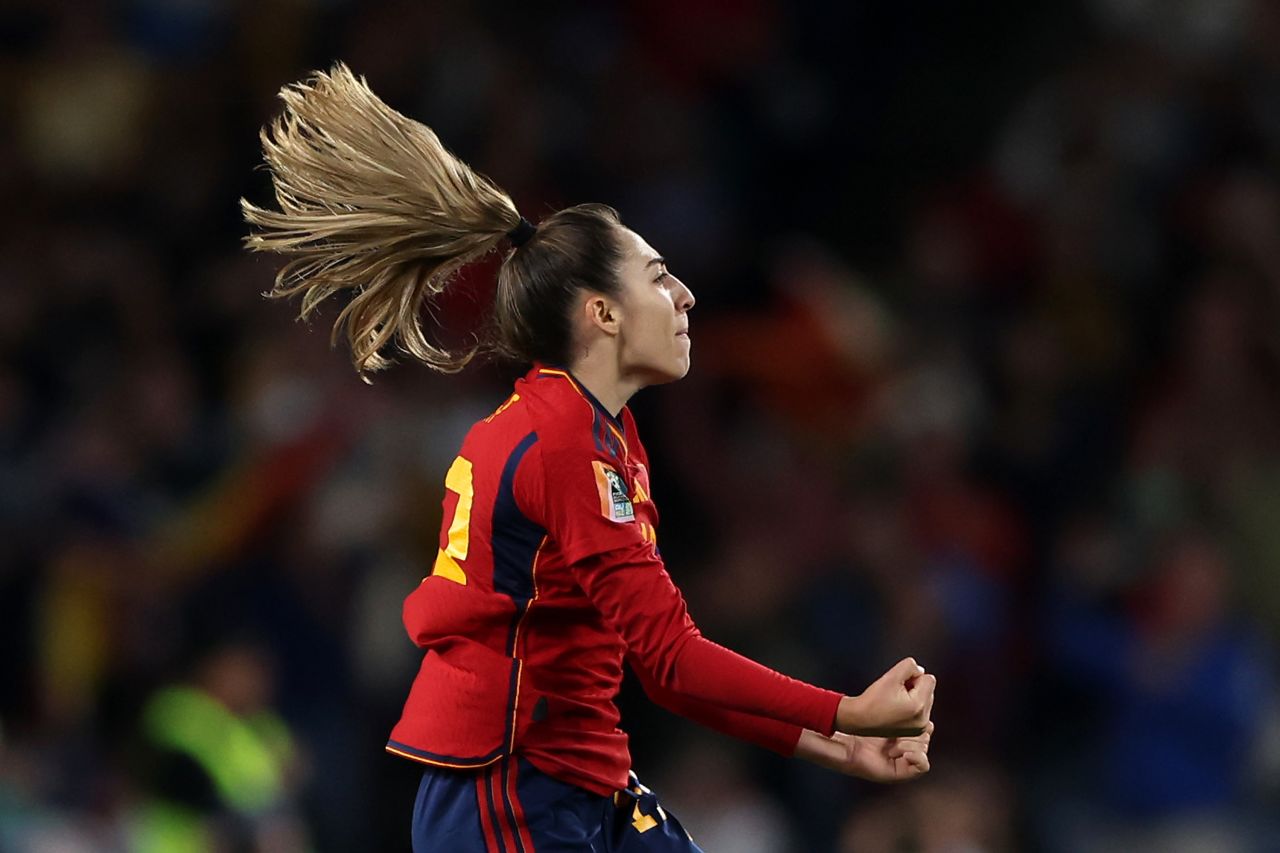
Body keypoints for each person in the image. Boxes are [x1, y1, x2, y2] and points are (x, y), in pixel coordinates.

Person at [243, 63, 936, 853]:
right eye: (659, 276)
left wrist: (838, 746)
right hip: (508, 788)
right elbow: (674, 660)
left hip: (579, 776)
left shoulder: (602, 434)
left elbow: (656, 662)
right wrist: (845, 711)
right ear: (602, 312)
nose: (686, 296)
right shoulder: (562, 446)